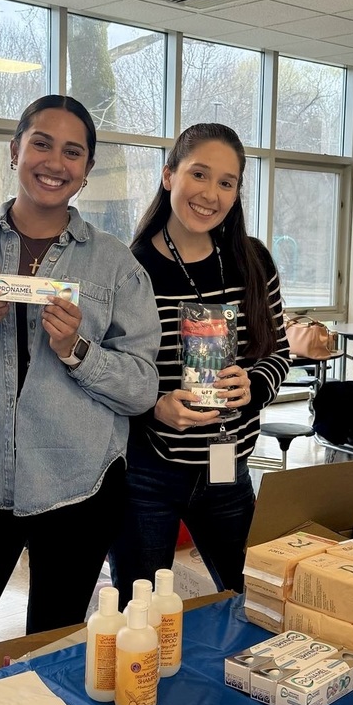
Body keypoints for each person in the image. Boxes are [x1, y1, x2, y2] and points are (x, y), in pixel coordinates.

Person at [0, 94, 161, 692]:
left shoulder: (115, 265)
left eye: (74, 151)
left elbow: (143, 387)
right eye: (41, 142)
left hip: (78, 485)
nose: (55, 161)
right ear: (15, 149)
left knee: (55, 658)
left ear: (87, 170)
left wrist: (78, 352)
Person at [109, 123, 290, 604]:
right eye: (199, 174)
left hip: (228, 466)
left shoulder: (253, 261)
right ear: (168, 176)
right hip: (147, 472)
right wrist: (154, 405)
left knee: (256, 600)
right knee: (139, 612)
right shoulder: (132, 269)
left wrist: (253, 384)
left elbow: (279, 351)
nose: (211, 194)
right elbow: (110, 373)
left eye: (226, 182)